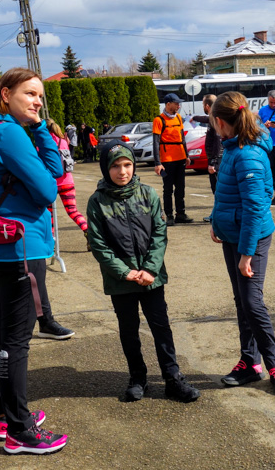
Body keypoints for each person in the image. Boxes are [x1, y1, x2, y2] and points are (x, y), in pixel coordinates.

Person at [0, 68, 68, 454]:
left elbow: (50, 174)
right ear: (5, 94)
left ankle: (6, 417)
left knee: (2, 336)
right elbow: (47, 188)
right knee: (16, 341)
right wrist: (38, 135)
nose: (38, 101)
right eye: (30, 94)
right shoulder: (7, 133)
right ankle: (21, 431)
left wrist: (38, 129)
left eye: (41, 96)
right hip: (22, 247)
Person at [87, 143, 201, 403]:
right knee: (129, 329)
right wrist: (124, 271)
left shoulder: (148, 193)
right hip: (121, 281)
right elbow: (97, 243)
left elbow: (159, 234)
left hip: (151, 279)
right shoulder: (97, 201)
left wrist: (150, 269)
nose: (122, 171)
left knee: (161, 327)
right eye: (115, 166)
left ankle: (173, 378)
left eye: (127, 165)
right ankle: (137, 378)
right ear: (106, 168)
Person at [209, 91, 275, 394]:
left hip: (252, 237)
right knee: (241, 300)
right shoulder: (233, 147)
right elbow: (227, 191)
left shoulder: (247, 153)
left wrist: (246, 253)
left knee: (251, 301)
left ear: (220, 122)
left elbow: (256, 208)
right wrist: (215, 220)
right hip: (233, 234)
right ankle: (249, 362)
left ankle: (274, 365)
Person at [46, 118, 89, 248]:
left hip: (51, 183)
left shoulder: (44, 143)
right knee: (72, 210)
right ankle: (88, 231)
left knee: (49, 213)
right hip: (67, 181)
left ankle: (51, 241)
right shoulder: (63, 141)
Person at [153, 93, 193, 226]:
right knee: (168, 188)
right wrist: (158, 163)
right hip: (167, 161)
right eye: (176, 103)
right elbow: (155, 142)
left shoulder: (179, 119)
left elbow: (182, 138)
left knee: (180, 187)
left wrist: (186, 155)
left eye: (179, 103)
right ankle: (169, 215)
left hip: (180, 158)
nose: (178, 105)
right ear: (168, 104)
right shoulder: (159, 120)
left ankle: (180, 214)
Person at [192, 94, 223, 222]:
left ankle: (217, 216)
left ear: (207, 106)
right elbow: (204, 119)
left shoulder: (215, 119)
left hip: (217, 160)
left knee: (217, 190)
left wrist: (213, 162)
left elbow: (216, 141)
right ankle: (216, 215)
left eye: (203, 104)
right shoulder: (215, 117)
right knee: (219, 190)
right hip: (219, 159)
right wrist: (193, 118)